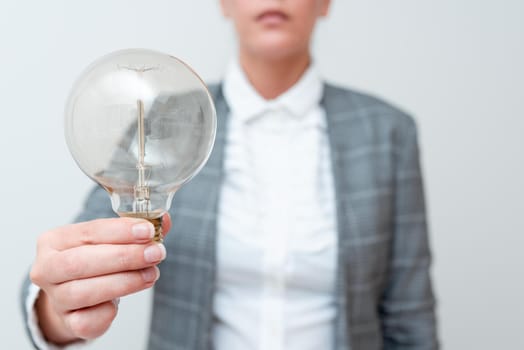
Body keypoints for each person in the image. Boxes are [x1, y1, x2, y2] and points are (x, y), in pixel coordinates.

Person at [22, 0, 439, 349]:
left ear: (326, 3)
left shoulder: (388, 132)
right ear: (224, 2)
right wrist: (59, 309)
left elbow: (410, 315)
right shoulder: (160, 119)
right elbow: (75, 258)